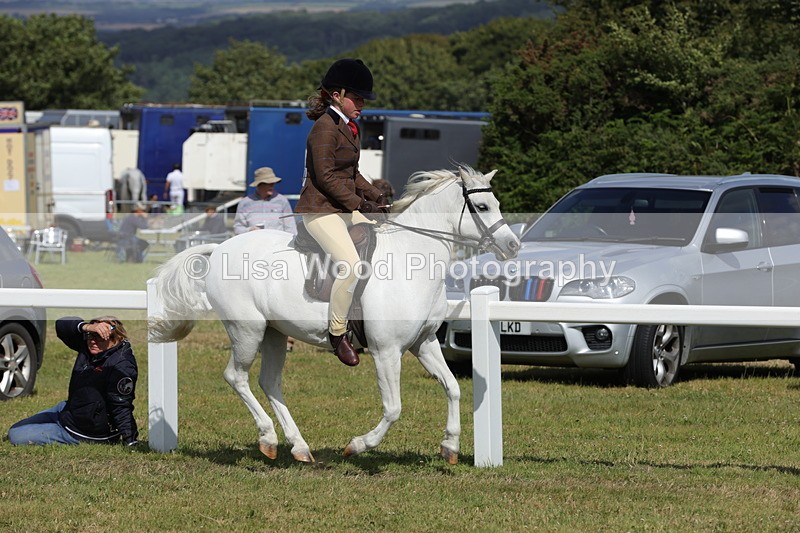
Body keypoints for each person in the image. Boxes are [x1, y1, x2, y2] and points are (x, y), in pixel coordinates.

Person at [295, 58, 389, 367]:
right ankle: (337, 334)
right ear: (337, 95)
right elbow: (326, 177)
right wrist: (361, 205)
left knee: (385, 237)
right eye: (358, 98)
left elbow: (353, 173)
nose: (362, 104)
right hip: (319, 211)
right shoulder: (324, 128)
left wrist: (380, 197)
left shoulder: (349, 126)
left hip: (340, 207)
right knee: (350, 265)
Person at [7, 316, 139, 446]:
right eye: (90, 335)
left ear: (117, 338)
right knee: (18, 427)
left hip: (86, 430)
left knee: (15, 435)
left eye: (99, 336)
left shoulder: (122, 366)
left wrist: (131, 440)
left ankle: (63, 434)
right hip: (69, 410)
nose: (92, 341)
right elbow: (61, 324)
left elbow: (121, 406)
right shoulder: (89, 348)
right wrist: (86, 326)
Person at [233, 167, 297, 235]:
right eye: (269, 183)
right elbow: (238, 228)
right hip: (253, 243)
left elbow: (290, 226)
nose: (272, 186)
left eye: (273, 183)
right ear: (259, 185)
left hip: (277, 243)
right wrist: (249, 230)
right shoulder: (245, 203)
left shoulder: (282, 201)